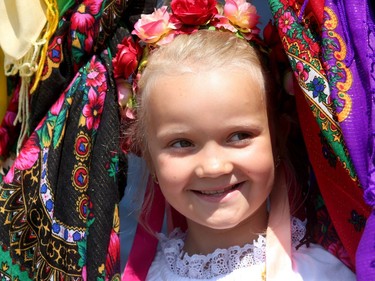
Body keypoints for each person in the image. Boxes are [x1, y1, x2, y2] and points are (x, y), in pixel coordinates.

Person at [121, 29, 356, 280]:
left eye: (239, 136)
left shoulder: (320, 274)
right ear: (149, 157)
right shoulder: (147, 275)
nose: (213, 166)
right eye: (182, 143)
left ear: (278, 140)